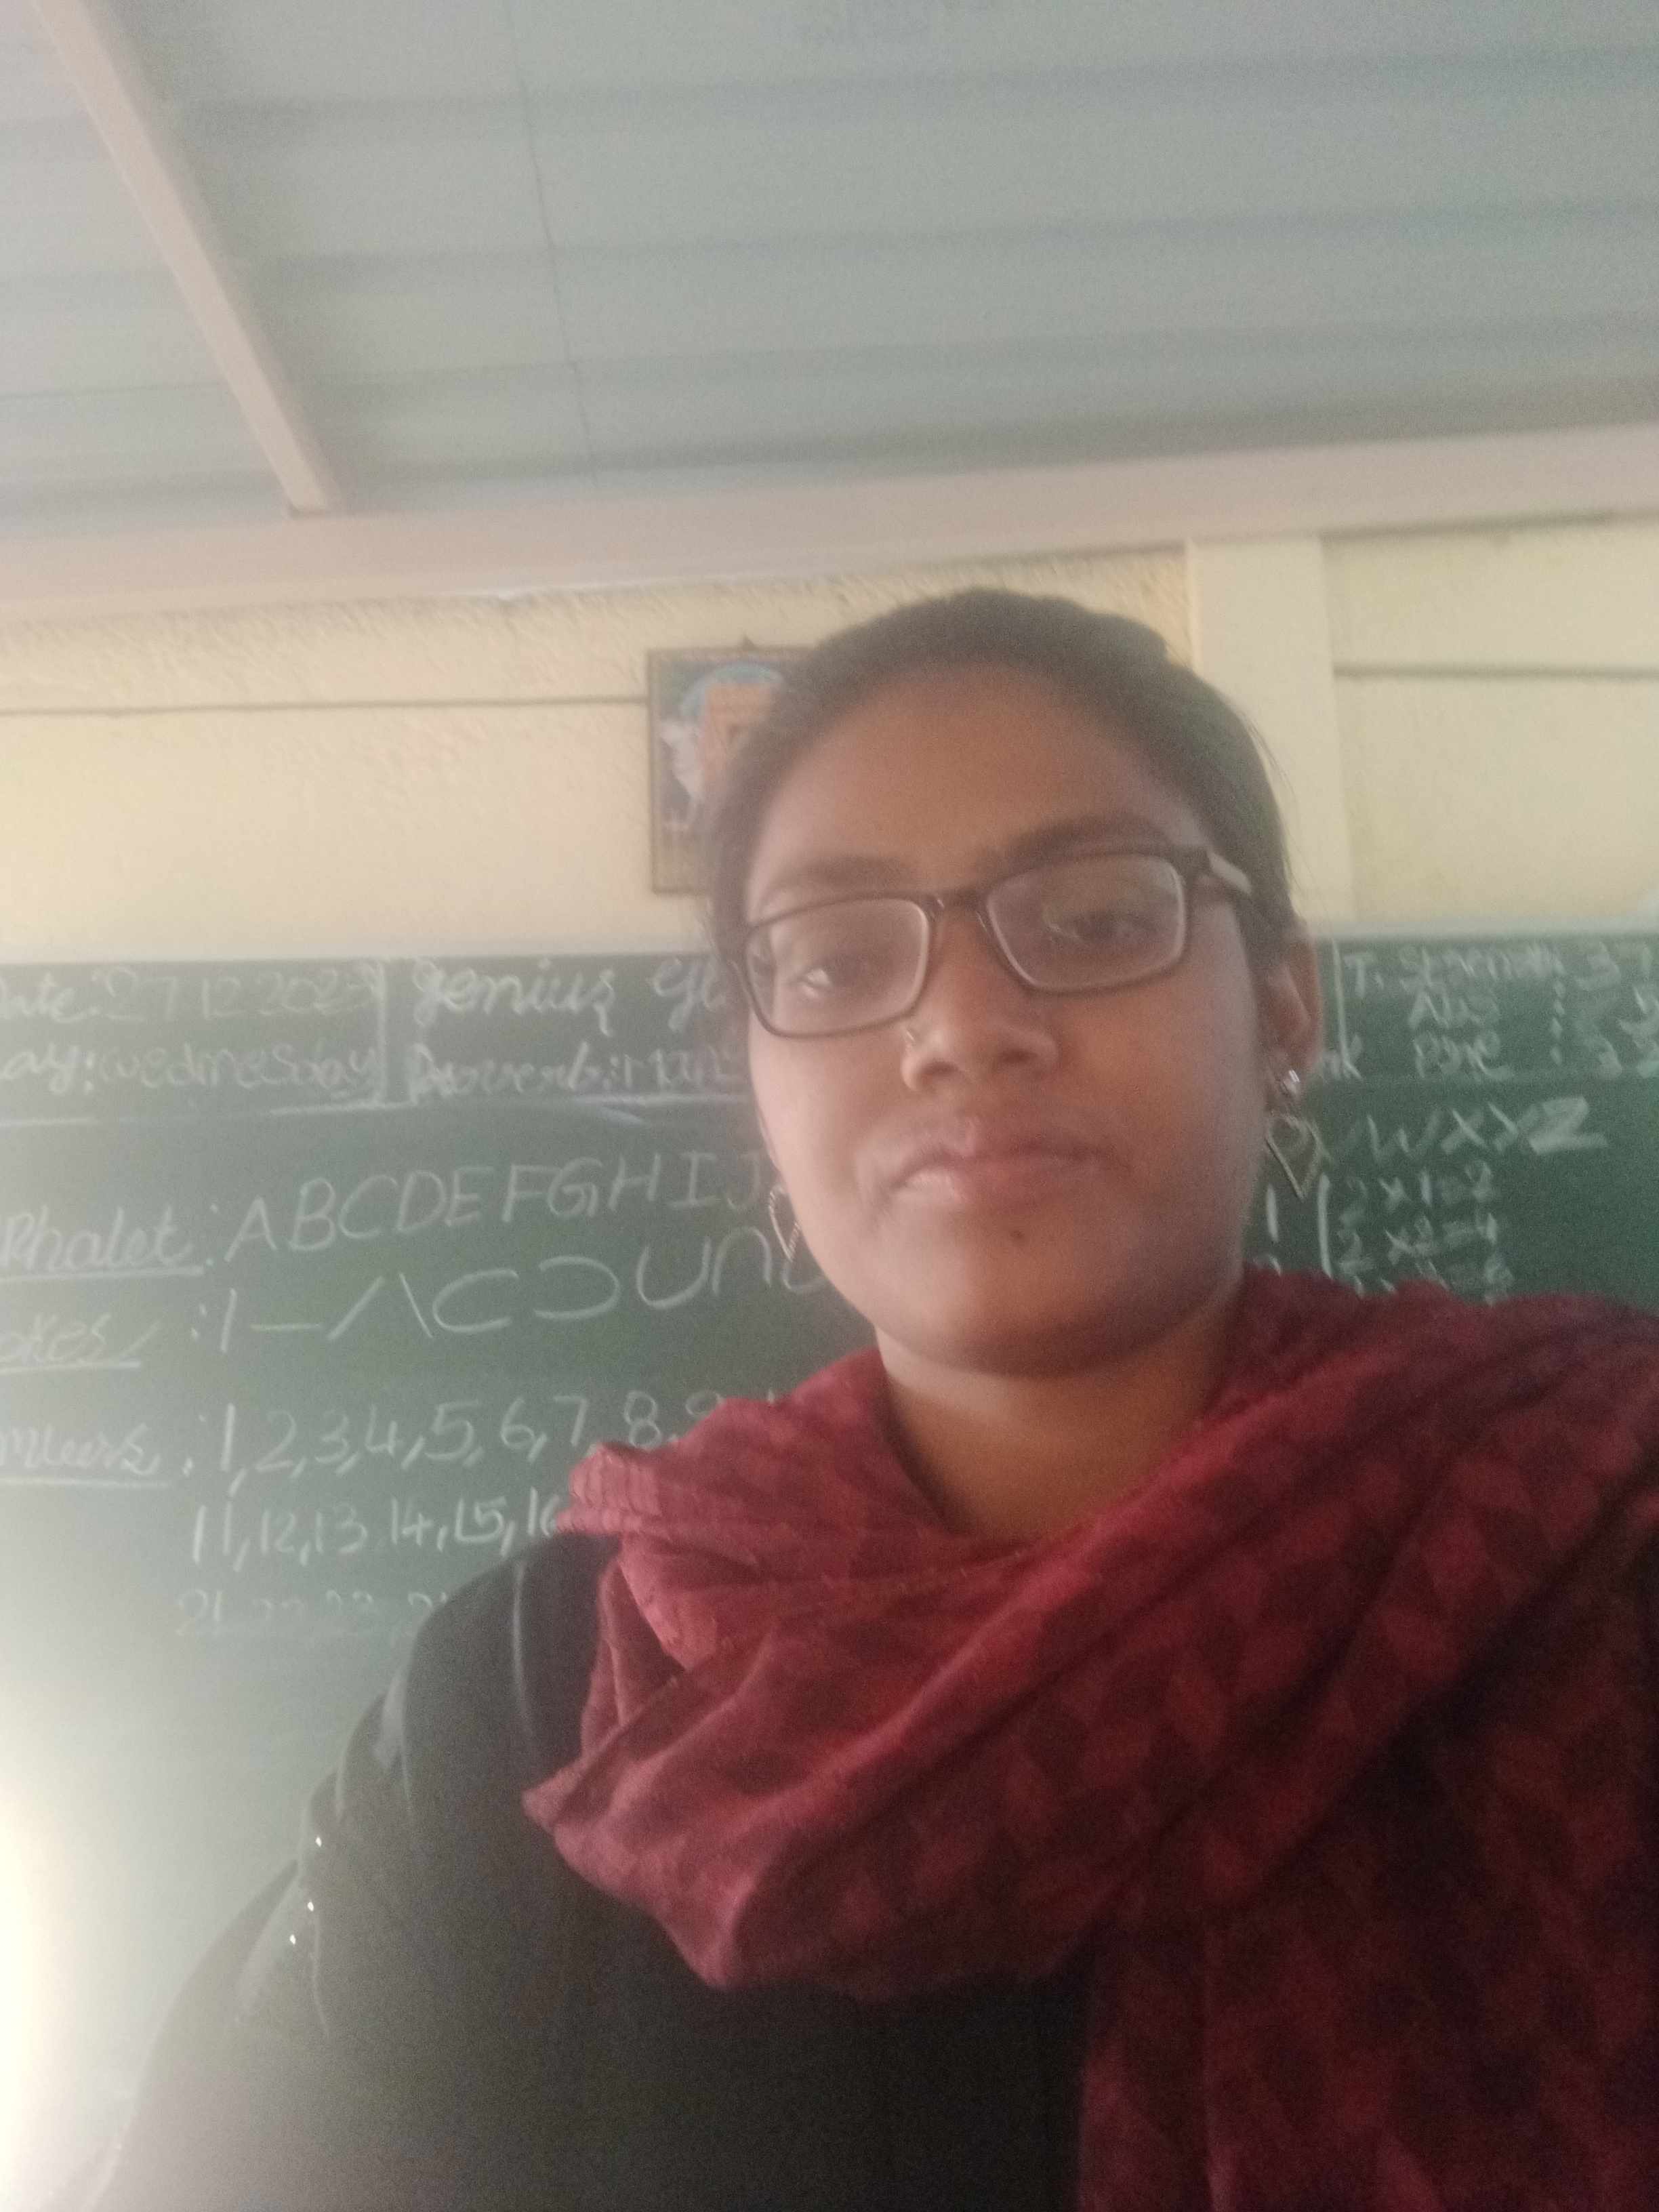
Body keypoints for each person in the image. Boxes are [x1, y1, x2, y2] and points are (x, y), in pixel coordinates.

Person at [73, 591, 1659, 2211]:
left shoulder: (1587, 1542)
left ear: (1286, 1008)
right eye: (834, 958)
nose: (962, 1030)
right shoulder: (542, 1693)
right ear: (760, 1089)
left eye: (1095, 920)